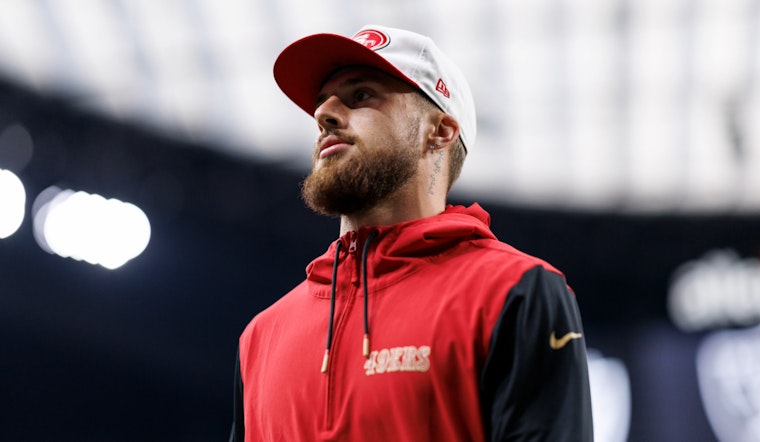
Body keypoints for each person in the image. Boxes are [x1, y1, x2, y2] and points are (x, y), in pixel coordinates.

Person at [230, 24, 593, 442]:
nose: (323, 115)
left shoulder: (515, 292)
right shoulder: (260, 337)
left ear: (440, 131)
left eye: (360, 95)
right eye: (321, 102)